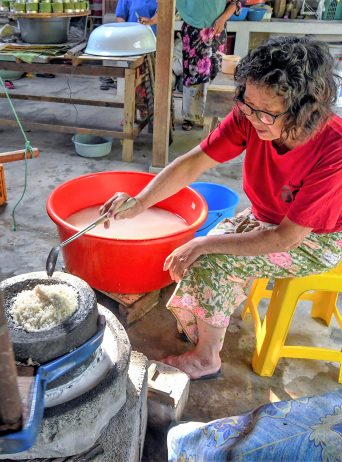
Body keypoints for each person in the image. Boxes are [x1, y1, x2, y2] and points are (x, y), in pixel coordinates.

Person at [100, 36, 342, 380]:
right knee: (197, 254)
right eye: (247, 104)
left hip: (315, 240)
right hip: (265, 218)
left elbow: (286, 238)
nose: (253, 118)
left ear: (307, 108)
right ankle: (204, 320)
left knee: (209, 262)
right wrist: (140, 201)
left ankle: (206, 358)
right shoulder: (251, 115)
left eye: (267, 112)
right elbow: (195, 161)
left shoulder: (334, 150)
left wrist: (204, 244)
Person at [140, 0, 240, 130]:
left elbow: (236, 3)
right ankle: (191, 117)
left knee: (214, 72)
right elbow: (168, 3)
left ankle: (213, 116)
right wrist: (152, 20)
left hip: (216, 30)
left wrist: (223, 19)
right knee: (192, 75)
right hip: (192, 33)